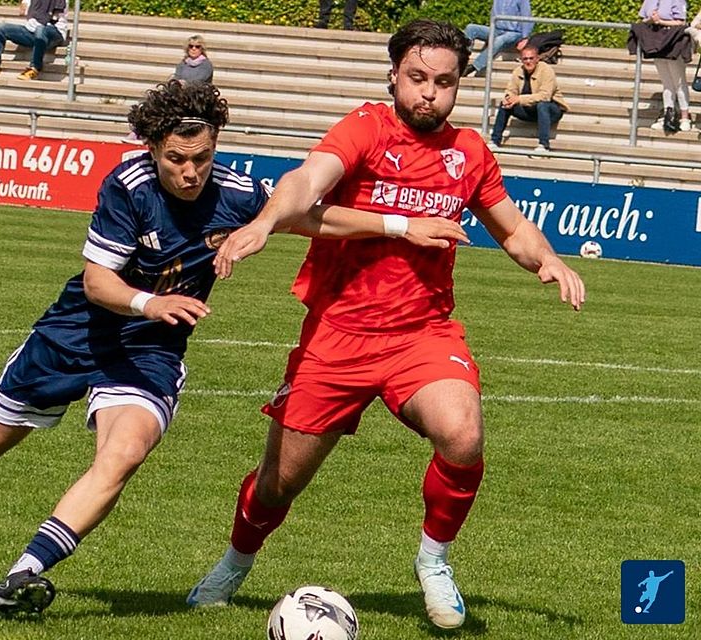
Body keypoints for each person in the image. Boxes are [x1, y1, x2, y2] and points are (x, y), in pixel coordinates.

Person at [0, 79, 468, 616]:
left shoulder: (235, 194)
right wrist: (150, 303)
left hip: (151, 352)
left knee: (124, 453)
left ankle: (24, 574)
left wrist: (398, 226)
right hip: (78, 334)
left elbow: (310, 218)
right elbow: (97, 284)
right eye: (177, 159)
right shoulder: (127, 187)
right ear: (152, 148)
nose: (191, 172)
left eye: (203, 158)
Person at [187, 19, 585, 631]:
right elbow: (306, 183)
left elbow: (511, 226)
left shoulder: (470, 152)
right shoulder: (366, 128)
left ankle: (434, 560)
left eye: (445, 82)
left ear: (459, 86)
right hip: (336, 335)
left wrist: (549, 258)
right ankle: (236, 563)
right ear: (395, 75)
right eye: (418, 78)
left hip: (422, 334)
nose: (430, 92)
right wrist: (266, 222)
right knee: (278, 484)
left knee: (463, 433)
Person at [489, 44, 569, 152]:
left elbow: (545, 96)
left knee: (542, 105)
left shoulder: (546, 70)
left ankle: (544, 145)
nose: (528, 62)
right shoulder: (518, 71)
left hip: (552, 110)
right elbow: (510, 90)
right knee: (505, 104)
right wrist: (509, 99)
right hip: (529, 110)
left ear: (537, 59)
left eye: (531, 58)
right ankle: (495, 141)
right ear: (521, 60)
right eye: (525, 59)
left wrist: (519, 99)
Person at [637, 0, 692, 132]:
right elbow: (643, 20)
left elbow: (681, 22)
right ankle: (668, 114)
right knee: (666, 82)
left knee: (678, 81)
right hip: (657, 42)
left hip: (673, 42)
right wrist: (651, 19)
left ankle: (685, 117)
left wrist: (661, 21)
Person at [0, 0, 66, 81]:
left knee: (40, 29)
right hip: (32, 32)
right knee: (2, 27)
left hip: (55, 33)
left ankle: (35, 67)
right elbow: (23, 9)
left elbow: (55, 17)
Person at [463, 0, 533, 77]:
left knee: (500, 40)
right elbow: (493, 16)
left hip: (515, 33)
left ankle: (473, 67)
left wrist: (525, 38)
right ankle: (462, 57)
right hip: (497, 30)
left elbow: (527, 18)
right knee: (471, 28)